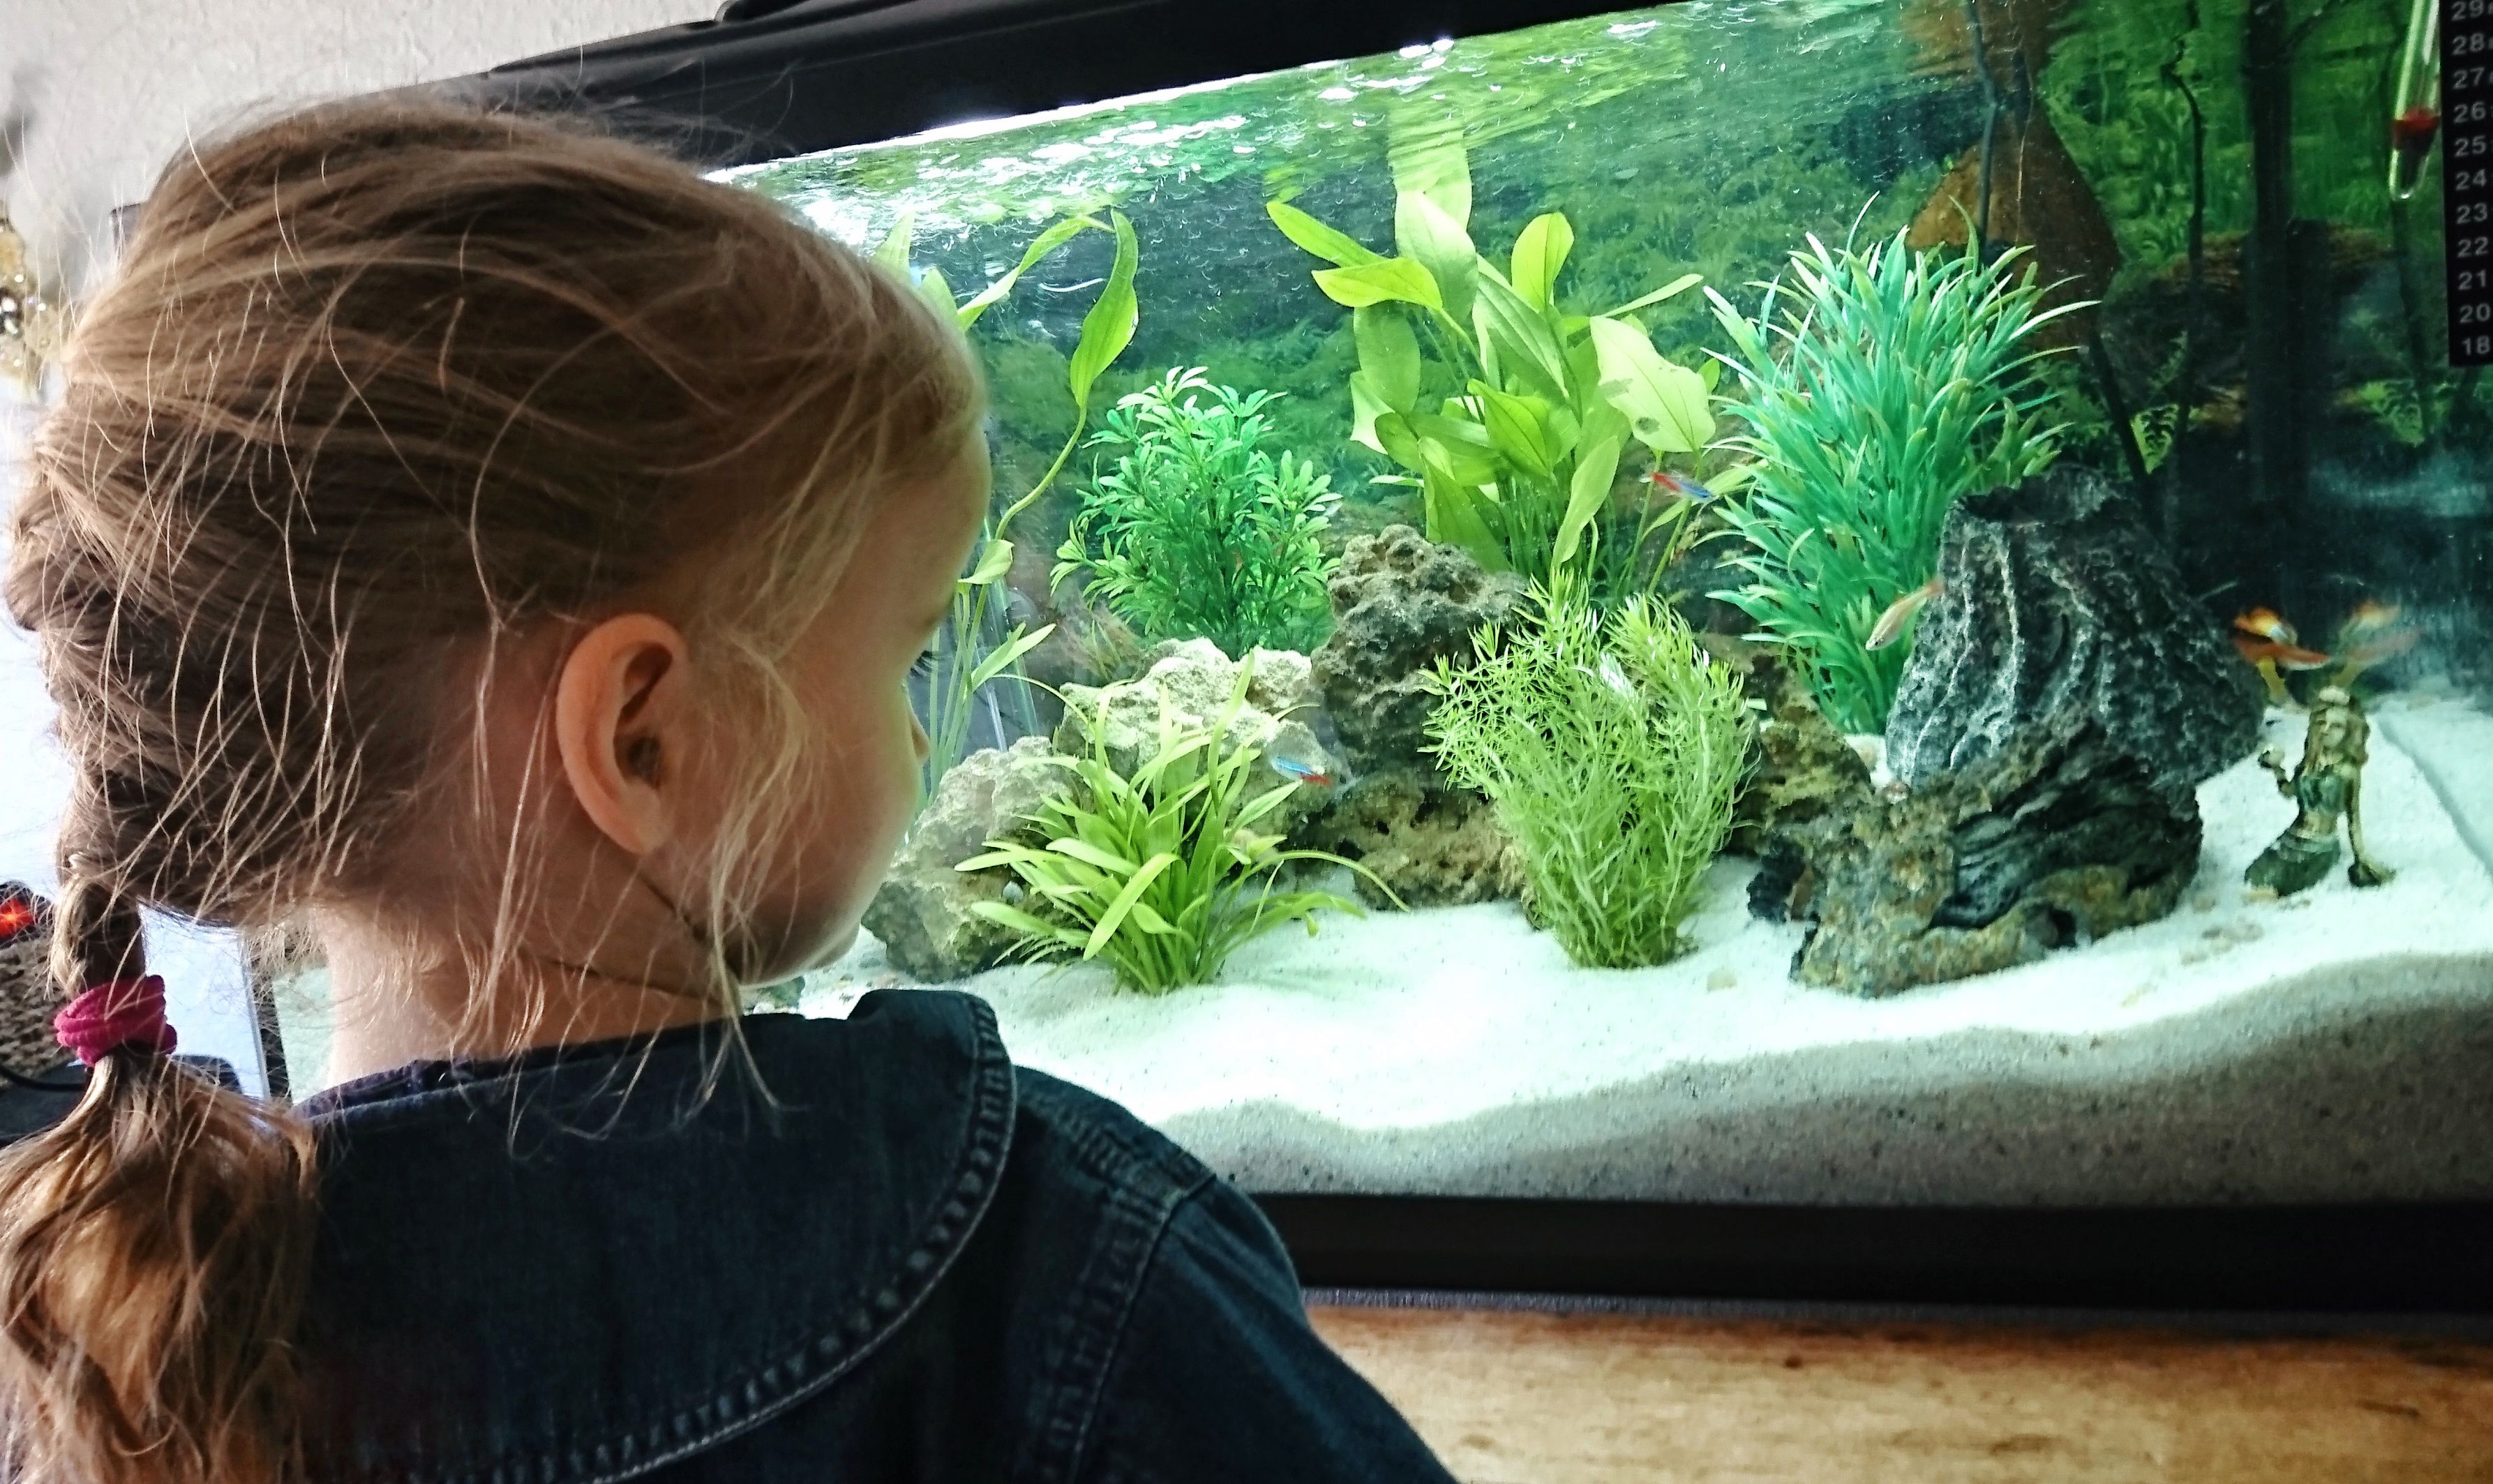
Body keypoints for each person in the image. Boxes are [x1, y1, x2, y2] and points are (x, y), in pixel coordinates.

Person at [0, 100, 1458, 1484]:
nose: (925, 735)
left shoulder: (130, 1346)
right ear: (644, 738)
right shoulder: (1046, 1248)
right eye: (904, 656)